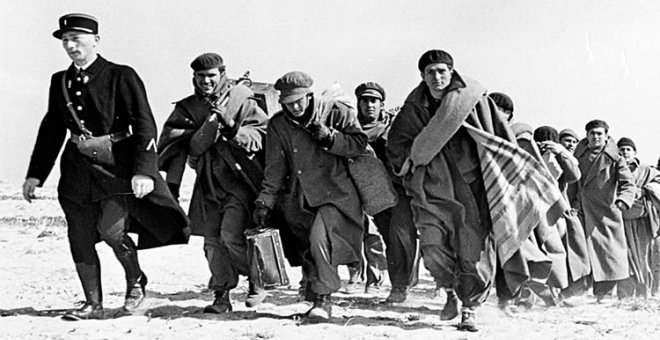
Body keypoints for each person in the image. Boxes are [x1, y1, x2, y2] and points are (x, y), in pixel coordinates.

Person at [23, 13, 188, 321]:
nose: (71, 46)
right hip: (75, 172)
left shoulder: (121, 75)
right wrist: (35, 173)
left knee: (111, 232)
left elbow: (143, 124)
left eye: (77, 39)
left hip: (116, 169)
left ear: (95, 40)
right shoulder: (59, 81)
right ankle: (92, 304)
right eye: (66, 41)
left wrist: (144, 170)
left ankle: (135, 280)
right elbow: (52, 129)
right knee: (80, 236)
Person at [387, 50, 567, 331]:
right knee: (434, 247)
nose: (437, 77)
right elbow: (396, 146)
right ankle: (448, 291)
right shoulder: (413, 108)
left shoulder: (473, 99)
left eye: (442, 71)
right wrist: (412, 163)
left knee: (474, 251)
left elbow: (501, 138)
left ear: (452, 71)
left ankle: (470, 307)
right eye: (430, 72)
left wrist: (506, 176)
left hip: (473, 188)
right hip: (432, 191)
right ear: (422, 76)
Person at [157, 53, 269, 313]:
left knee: (231, 235)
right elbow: (174, 144)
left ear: (222, 74)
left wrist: (232, 129)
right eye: (200, 76)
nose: (206, 81)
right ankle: (221, 295)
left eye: (211, 76)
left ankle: (256, 278)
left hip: (238, 182)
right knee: (211, 244)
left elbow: (261, 134)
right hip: (206, 184)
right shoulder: (187, 108)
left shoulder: (240, 100)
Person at [253, 71, 367, 321]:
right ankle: (316, 292)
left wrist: (331, 139)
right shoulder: (278, 125)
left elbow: (359, 144)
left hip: (336, 194)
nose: (294, 107)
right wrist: (265, 201)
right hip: (300, 199)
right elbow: (275, 168)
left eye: (299, 100)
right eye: (288, 102)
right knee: (309, 249)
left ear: (310, 95)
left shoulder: (335, 111)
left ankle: (323, 300)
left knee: (320, 239)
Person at [353, 82, 418, 302]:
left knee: (401, 234)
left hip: (401, 190)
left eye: (374, 101)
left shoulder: (395, 127)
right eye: (365, 100)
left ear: (382, 104)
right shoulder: (352, 131)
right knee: (390, 239)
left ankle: (400, 286)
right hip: (374, 194)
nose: (369, 105)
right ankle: (400, 283)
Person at [571, 119, 636, 302]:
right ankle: (578, 291)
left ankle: (606, 293)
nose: (596, 137)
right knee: (580, 249)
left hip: (607, 212)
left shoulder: (615, 158)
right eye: (592, 133)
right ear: (587, 136)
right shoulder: (579, 155)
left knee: (609, 254)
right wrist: (572, 203)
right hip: (582, 210)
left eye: (599, 133)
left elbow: (628, 184)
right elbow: (572, 182)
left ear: (606, 136)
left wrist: (623, 201)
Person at [616, 137, 660, 298]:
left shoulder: (647, 170)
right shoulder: (613, 170)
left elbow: (658, 183)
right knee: (624, 258)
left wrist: (646, 190)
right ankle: (625, 294)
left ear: (635, 152)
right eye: (621, 149)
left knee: (643, 257)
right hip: (620, 221)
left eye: (628, 149)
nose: (625, 152)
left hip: (643, 221)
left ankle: (645, 292)